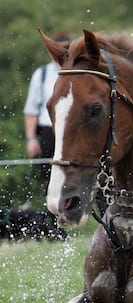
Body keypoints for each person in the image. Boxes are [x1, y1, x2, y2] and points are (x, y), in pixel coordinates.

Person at [23, 31, 71, 201]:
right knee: (48, 180)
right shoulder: (41, 74)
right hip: (48, 132)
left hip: (73, 130)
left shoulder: (77, 72)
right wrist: (31, 138)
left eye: (66, 47)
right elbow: (31, 110)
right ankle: (52, 223)